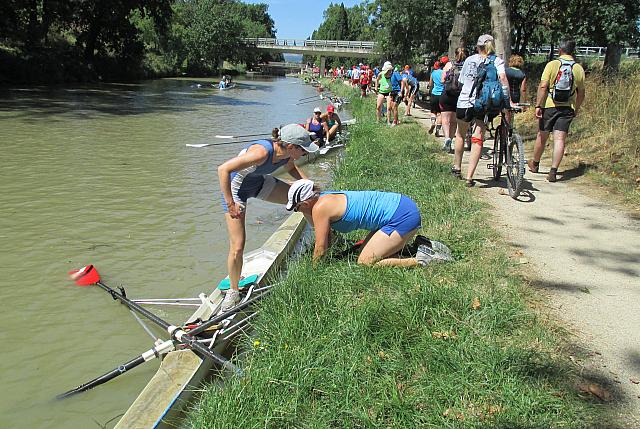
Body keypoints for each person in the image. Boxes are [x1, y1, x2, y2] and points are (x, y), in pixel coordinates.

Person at [218, 125, 319, 311]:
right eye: (303, 149)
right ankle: (233, 291)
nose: (305, 153)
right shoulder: (261, 152)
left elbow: (292, 169)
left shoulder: (287, 155)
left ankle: (322, 241)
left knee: (307, 199)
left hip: (259, 183)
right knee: (238, 245)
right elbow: (223, 169)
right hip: (235, 191)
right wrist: (231, 204)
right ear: (290, 146)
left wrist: (310, 186)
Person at [285, 179, 440, 267]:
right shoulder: (325, 197)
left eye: (296, 208)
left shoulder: (319, 208)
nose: (298, 212)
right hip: (402, 206)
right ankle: (419, 246)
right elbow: (327, 240)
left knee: (365, 262)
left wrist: (314, 270)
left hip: (402, 217)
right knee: (366, 253)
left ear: (305, 203)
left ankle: (422, 260)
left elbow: (320, 247)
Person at [453, 34, 510, 187]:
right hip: (483, 104)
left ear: (478, 46)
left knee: (460, 134)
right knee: (478, 138)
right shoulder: (496, 61)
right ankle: (470, 177)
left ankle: (457, 167)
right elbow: (503, 78)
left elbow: (461, 81)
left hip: (465, 101)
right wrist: (507, 99)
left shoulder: (469, 60)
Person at [529, 40, 585, 182]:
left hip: (550, 105)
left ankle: (535, 164)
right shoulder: (578, 68)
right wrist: (576, 108)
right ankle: (553, 171)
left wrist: (538, 105)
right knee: (560, 139)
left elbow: (543, 86)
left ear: (560, 50)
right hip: (567, 108)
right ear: (573, 51)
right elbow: (581, 93)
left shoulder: (552, 65)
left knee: (542, 135)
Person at [439, 48, 467, 153]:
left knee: (445, 119)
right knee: (454, 120)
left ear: (455, 54)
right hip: (460, 96)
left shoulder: (449, 65)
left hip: (447, 95)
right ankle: (451, 138)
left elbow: (442, 80)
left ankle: (447, 138)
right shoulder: (466, 66)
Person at [427, 60, 445, 136]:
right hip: (442, 95)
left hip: (434, 94)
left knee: (433, 112)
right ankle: (437, 130)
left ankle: (433, 123)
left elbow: (430, 84)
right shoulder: (444, 72)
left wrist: (430, 91)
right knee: (440, 113)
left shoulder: (433, 73)